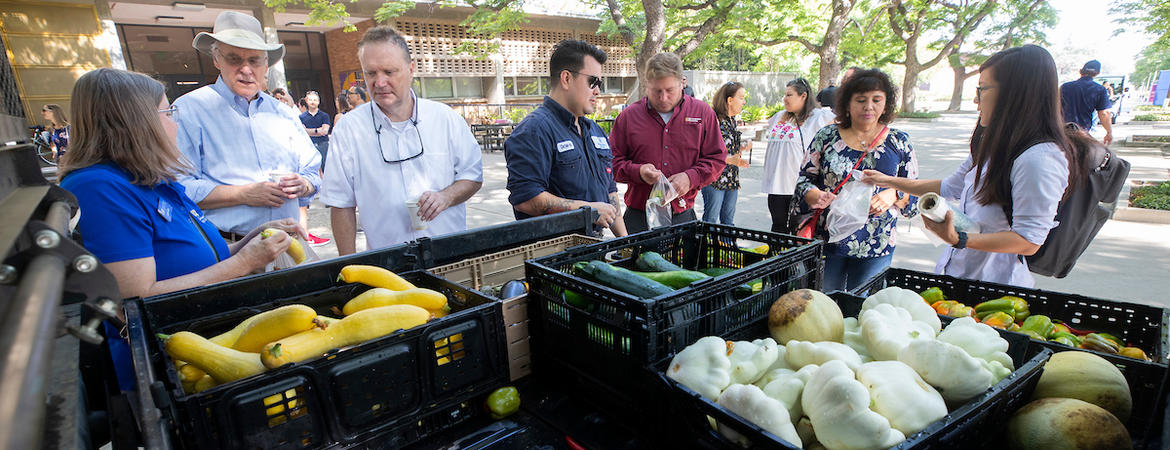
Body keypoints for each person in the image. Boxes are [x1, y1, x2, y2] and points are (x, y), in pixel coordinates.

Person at [59, 68, 298, 300]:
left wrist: (254, 240)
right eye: (168, 112)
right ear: (138, 123)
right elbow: (136, 298)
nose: (176, 123)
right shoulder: (101, 187)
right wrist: (244, 263)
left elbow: (204, 258)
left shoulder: (148, 179)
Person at [863, 45, 1088, 288]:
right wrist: (887, 180)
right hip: (959, 274)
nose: (975, 99)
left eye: (982, 90)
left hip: (994, 287)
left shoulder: (1039, 159)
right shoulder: (995, 144)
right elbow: (949, 187)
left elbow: (1028, 240)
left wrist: (959, 239)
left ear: (1015, 94)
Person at [322, 26, 483, 254]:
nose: (379, 82)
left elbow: (472, 177)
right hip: (387, 265)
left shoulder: (445, 119)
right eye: (370, 73)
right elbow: (341, 204)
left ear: (411, 69)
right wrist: (348, 266)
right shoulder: (348, 129)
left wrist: (446, 197)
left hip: (448, 255)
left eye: (389, 71)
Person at [173, 11, 322, 242]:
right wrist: (243, 194)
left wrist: (303, 185)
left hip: (289, 244)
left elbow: (312, 171)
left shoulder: (283, 113)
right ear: (216, 60)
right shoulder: (188, 111)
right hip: (227, 248)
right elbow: (177, 187)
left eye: (254, 60)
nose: (245, 69)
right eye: (234, 59)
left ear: (266, 64)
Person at [793, 68, 919, 292]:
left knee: (864, 311)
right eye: (861, 100)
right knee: (824, 308)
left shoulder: (900, 142)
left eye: (876, 100)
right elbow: (804, 181)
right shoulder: (827, 137)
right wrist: (814, 195)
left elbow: (916, 195)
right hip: (829, 241)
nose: (869, 106)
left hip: (876, 244)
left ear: (886, 104)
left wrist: (894, 194)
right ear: (847, 104)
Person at [504, 40, 627, 237]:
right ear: (566, 78)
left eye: (600, 84)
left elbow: (610, 194)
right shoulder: (534, 130)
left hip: (593, 248)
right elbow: (526, 198)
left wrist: (625, 241)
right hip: (553, 254)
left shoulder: (594, 131)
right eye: (593, 82)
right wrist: (588, 211)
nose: (598, 91)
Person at [610, 52, 727, 234]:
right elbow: (611, 164)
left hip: (683, 214)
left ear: (682, 82)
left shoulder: (703, 114)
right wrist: (638, 172)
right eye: (656, 91)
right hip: (638, 217)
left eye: (669, 90)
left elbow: (717, 159)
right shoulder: (628, 117)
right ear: (646, 84)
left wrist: (690, 177)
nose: (663, 98)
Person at [762, 78, 836, 233]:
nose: (785, 99)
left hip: (799, 184)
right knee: (778, 226)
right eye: (785, 94)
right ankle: (778, 256)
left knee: (799, 229)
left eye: (789, 95)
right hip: (776, 184)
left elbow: (840, 126)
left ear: (803, 96)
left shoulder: (818, 116)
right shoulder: (779, 116)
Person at [700, 81, 751, 225]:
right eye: (741, 98)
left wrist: (742, 147)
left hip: (731, 179)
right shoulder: (713, 119)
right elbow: (705, 151)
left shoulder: (732, 121)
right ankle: (706, 247)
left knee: (728, 221)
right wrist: (730, 160)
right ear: (729, 100)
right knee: (710, 220)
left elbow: (727, 148)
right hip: (715, 179)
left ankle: (728, 246)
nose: (744, 101)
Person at [1060, 60, 1113, 145]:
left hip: (1062, 132)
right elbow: (1104, 113)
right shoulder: (1099, 89)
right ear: (1097, 73)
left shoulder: (1065, 87)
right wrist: (1109, 132)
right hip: (1083, 133)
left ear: (1081, 71)